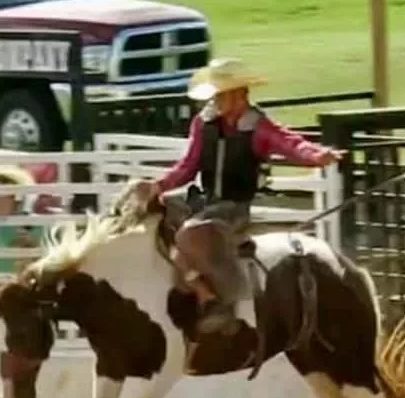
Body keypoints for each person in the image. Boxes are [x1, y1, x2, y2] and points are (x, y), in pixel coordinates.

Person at [141, 58, 344, 335]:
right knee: (160, 213)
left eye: (222, 93)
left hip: (233, 207)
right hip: (205, 201)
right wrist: (159, 186)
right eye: (215, 93)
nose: (216, 99)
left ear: (239, 95)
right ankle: (188, 291)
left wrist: (316, 156)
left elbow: (291, 144)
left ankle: (219, 301)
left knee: (190, 233)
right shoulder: (204, 123)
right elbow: (188, 166)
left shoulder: (259, 127)